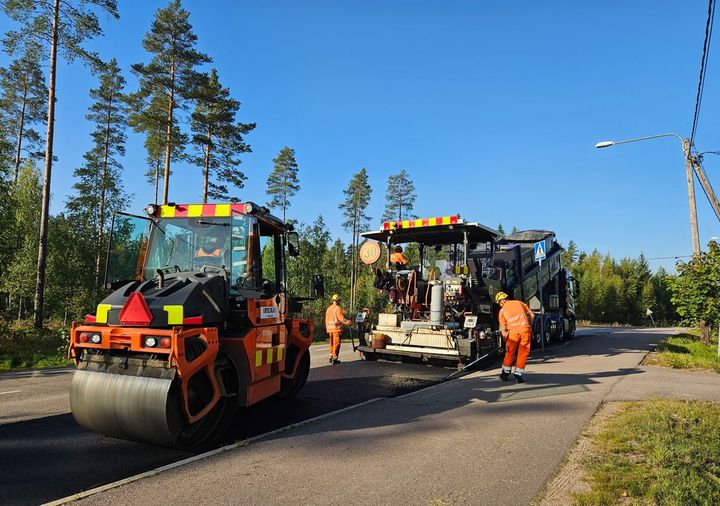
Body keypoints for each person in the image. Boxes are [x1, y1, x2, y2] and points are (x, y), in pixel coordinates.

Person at [496, 291, 534, 383]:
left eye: (499, 303)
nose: (500, 305)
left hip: (513, 333)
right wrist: (529, 327)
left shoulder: (502, 311)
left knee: (509, 353)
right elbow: (531, 315)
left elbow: (503, 328)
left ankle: (505, 373)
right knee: (523, 353)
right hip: (525, 331)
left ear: (501, 301)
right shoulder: (519, 303)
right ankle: (518, 375)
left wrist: (505, 338)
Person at [325, 293, 352, 364]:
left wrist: (327, 328)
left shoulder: (329, 308)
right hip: (336, 329)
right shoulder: (337, 308)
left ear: (333, 300)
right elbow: (341, 318)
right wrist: (348, 322)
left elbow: (326, 319)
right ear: (338, 301)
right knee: (336, 344)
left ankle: (330, 357)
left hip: (330, 329)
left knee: (331, 343)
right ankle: (334, 358)